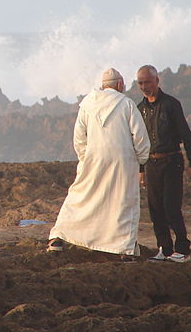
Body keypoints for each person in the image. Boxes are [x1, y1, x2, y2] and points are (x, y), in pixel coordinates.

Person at [47, 68, 150, 258]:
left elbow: (79, 137)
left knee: (81, 196)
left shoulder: (87, 104)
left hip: (93, 158)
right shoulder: (127, 104)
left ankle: (57, 237)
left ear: (104, 85)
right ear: (119, 85)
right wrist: (141, 160)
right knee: (121, 201)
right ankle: (124, 249)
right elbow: (140, 137)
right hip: (123, 162)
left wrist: (86, 158)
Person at [136, 64, 191, 263]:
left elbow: (186, 134)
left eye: (147, 81)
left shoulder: (171, 104)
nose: (144, 86)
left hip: (172, 160)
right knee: (155, 209)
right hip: (150, 164)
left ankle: (182, 249)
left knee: (171, 208)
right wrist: (140, 169)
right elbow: (138, 142)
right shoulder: (139, 109)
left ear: (157, 81)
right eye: (140, 83)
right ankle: (164, 249)